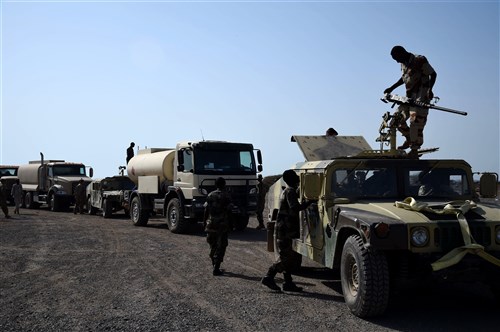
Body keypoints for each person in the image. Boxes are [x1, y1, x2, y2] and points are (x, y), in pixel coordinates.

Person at [261, 169, 312, 292]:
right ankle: (269, 276)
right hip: (285, 230)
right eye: (296, 177)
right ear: (291, 179)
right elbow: (295, 207)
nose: (298, 179)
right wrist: (308, 203)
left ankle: (288, 283)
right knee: (286, 258)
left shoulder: (289, 191)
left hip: (286, 229)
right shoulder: (290, 192)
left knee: (288, 256)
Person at [384, 45, 437, 159]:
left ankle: (414, 149)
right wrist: (391, 88)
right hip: (409, 98)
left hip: (420, 98)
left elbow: (433, 74)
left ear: (402, 53)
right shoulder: (404, 63)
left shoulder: (419, 60)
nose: (397, 61)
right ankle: (408, 138)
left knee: (415, 124)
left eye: (397, 58)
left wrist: (430, 90)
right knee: (395, 120)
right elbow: (404, 78)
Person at [204, 177, 233, 276]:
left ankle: (214, 262)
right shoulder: (226, 196)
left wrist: (205, 222)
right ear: (224, 184)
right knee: (222, 246)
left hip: (211, 223)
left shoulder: (210, 195)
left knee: (213, 244)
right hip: (222, 224)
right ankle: (216, 267)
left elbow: (206, 210)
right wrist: (231, 224)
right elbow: (230, 211)